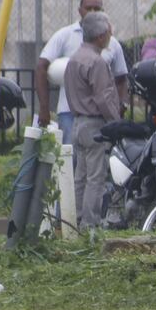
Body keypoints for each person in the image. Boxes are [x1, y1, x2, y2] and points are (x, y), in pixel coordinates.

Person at [35, 0, 129, 143]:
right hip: (69, 112)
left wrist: (120, 106)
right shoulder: (64, 35)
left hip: (100, 115)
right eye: (88, 8)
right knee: (72, 159)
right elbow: (41, 67)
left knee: (95, 159)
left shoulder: (112, 42)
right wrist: (44, 108)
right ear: (80, 10)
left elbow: (121, 78)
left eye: (96, 9)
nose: (92, 12)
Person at [63, 12, 122, 230]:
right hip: (95, 124)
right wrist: (116, 123)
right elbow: (103, 98)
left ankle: (75, 221)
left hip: (77, 122)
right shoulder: (96, 62)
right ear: (100, 35)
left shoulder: (75, 58)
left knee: (81, 175)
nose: (110, 35)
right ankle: (90, 224)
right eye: (108, 31)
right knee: (96, 178)